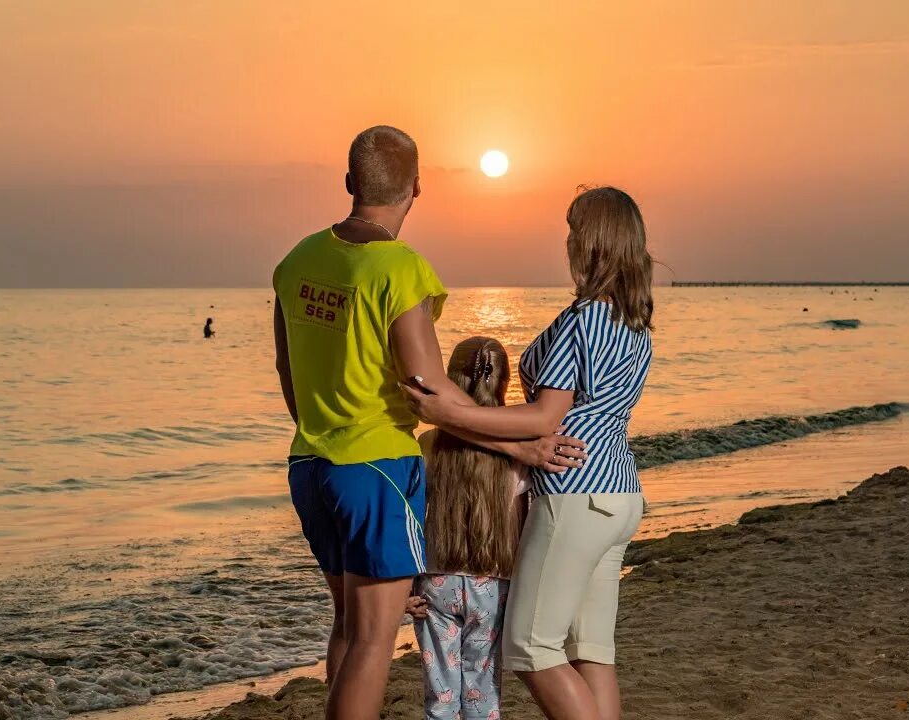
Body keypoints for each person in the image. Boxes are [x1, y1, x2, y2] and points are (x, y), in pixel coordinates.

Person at [272, 126, 586, 720]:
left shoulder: (296, 262)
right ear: (417, 187)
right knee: (372, 643)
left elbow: (287, 372)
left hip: (310, 465)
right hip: (377, 469)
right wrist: (516, 446)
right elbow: (431, 392)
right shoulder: (399, 268)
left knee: (347, 628)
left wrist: (325, 429)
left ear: (348, 183)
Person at [405, 186, 653, 720]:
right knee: (591, 651)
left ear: (590, 241)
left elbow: (545, 419)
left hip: (577, 493)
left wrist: (449, 416)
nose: (567, 241)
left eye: (573, 229)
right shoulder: (635, 323)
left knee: (531, 647)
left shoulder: (584, 317)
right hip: (621, 493)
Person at [413, 336, 527, 720]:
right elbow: (525, 525)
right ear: (504, 383)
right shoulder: (518, 450)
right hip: (493, 583)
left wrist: (403, 582)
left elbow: (410, 522)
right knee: (483, 690)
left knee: (440, 696)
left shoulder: (428, 444)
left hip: (437, 578)